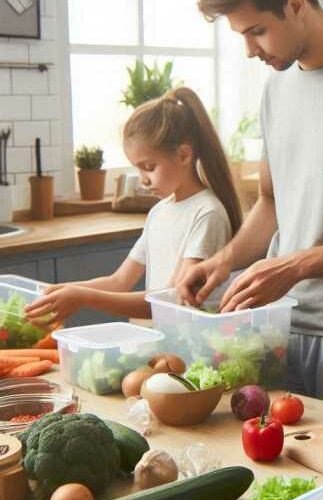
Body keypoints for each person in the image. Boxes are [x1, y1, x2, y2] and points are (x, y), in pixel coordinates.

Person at [177, 0, 323, 402]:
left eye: (257, 31)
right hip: (275, 330)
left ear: (296, 5)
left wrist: (293, 267)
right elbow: (271, 200)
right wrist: (224, 260)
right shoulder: (277, 88)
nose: (249, 50)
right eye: (241, 35)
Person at [25, 87, 241, 325]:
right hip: (159, 343)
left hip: (189, 346)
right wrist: (58, 290)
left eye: (149, 167)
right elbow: (119, 281)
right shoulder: (159, 212)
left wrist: (83, 297)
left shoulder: (207, 213)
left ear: (183, 155)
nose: (143, 179)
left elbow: (171, 300)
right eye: (138, 169)